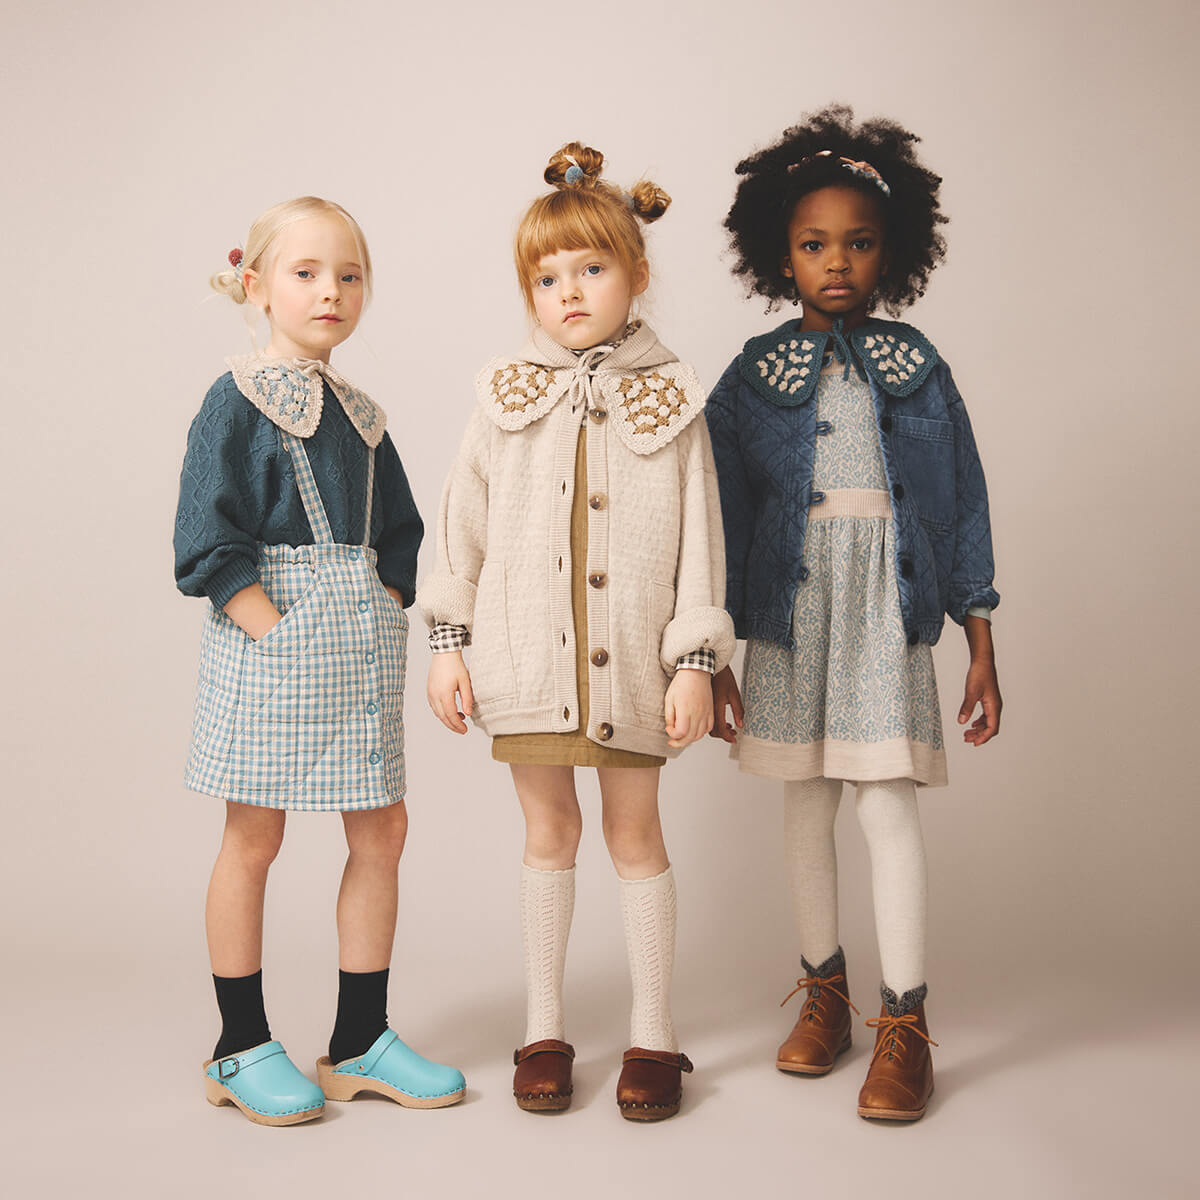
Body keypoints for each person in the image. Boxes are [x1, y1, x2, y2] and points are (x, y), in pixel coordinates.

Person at [419, 144, 734, 1121]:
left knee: (635, 835)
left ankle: (654, 1034)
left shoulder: (673, 398)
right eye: (547, 277)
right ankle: (545, 1027)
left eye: (591, 268)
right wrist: (447, 644)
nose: (568, 292)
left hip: (635, 664)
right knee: (549, 831)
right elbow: (459, 529)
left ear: (637, 273)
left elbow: (700, 539)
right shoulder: (504, 397)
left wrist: (694, 661)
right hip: (525, 662)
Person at [707, 107, 1002, 1121]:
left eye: (860, 243)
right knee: (805, 800)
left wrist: (980, 640)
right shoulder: (751, 380)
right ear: (778, 254)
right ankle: (823, 995)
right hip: (792, 609)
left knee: (885, 802)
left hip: (885, 602)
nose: (837, 262)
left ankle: (904, 1024)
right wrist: (710, 651)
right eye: (813, 244)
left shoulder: (920, 369)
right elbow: (716, 518)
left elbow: (963, 504)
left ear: (894, 252)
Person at [175, 196, 464, 1125]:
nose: (330, 291)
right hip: (273, 642)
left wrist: (385, 600)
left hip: (356, 653)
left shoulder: (363, 416)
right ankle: (239, 1044)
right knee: (253, 839)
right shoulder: (235, 398)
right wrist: (274, 630)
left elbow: (400, 530)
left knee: (383, 833)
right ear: (257, 286)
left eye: (349, 275)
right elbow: (205, 534)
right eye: (305, 273)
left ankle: (359, 1039)